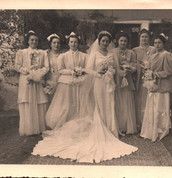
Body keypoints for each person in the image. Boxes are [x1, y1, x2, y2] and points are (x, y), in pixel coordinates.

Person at [32, 31, 138, 163]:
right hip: (99, 83)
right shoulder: (94, 54)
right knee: (99, 106)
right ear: (99, 42)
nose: (105, 43)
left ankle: (111, 130)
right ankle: (100, 131)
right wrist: (98, 73)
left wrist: (111, 72)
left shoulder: (112, 54)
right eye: (103, 41)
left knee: (110, 104)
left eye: (107, 41)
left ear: (109, 43)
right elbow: (88, 70)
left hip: (109, 83)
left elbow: (115, 69)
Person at [45, 32, 87, 130]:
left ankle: (78, 123)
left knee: (79, 102)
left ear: (78, 43)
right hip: (66, 83)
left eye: (75, 42)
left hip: (80, 82)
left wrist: (81, 71)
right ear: (68, 43)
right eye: (71, 42)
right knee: (67, 104)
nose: (73, 44)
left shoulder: (84, 56)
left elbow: (86, 68)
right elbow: (61, 70)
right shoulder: (63, 56)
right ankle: (66, 123)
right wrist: (72, 72)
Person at [140, 33, 172, 142]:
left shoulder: (167, 55)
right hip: (153, 85)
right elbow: (149, 68)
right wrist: (148, 74)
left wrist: (156, 74)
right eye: (155, 43)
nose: (157, 45)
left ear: (163, 43)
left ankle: (161, 129)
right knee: (152, 107)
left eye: (159, 42)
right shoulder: (152, 56)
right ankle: (150, 130)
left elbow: (169, 71)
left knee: (160, 108)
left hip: (162, 86)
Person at [15, 30, 49, 136]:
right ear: (28, 41)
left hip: (38, 80)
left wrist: (37, 74)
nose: (34, 42)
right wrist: (29, 72)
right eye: (32, 40)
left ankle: (39, 128)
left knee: (39, 101)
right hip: (26, 79)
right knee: (27, 101)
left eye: (36, 40)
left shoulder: (43, 53)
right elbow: (17, 66)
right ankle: (28, 128)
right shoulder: (22, 52)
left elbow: (46, 67)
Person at [112, 31, 137, 134]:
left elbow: (135, 65)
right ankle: (118, 126)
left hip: (127, 79)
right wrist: (118, 71)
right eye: (121, 40)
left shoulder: (131, 53)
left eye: (125, 41)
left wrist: (130, 69)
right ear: (118, 41)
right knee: (118, 101)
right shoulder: (113, 52)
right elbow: (111, 64)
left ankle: (127, 126)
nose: (123, 43)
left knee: (127, 102)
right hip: (116, 79)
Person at [132, 29, 156, 131]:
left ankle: (149, 124)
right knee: (139, 101)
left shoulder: (153, 49)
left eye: (146, 37)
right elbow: (132, 64)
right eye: (142, 37)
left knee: (149, 100)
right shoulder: (135, 50)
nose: (144, 39)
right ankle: (139, 123)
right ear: (139, 38)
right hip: (139, 79)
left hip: (150, 79)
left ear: (149, 38)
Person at [43, 33, 61, 102]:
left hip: (59, 82)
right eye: (54, 43)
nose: (56, 45)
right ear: (50, 44)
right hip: (49, 81)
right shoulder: (46, 54)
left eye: (58, 43)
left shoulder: (62, 55)